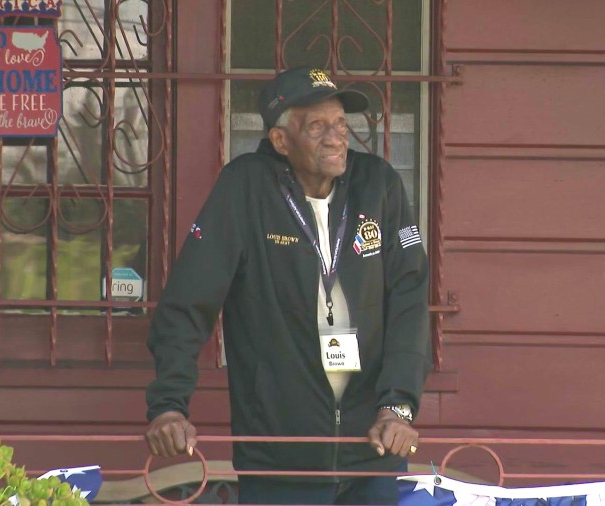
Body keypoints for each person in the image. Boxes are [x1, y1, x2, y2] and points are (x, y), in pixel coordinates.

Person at [144, 66, 431, 505]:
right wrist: (169, 405)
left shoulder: (379, 185)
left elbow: (410, 300)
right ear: (281, 140)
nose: (336, 137)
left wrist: (399, 405)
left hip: (374, 446)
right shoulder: (245, 188)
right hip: (280, 453)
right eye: (316, 126)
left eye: (339, 123)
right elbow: (188, 302)